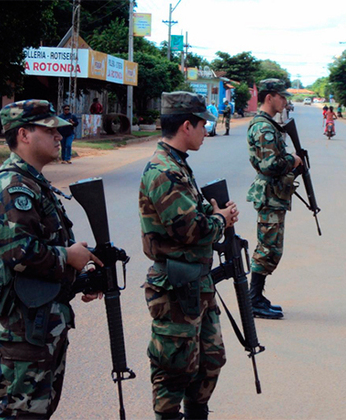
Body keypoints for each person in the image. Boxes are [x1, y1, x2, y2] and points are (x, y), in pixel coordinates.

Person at [0, 99, 102, 419]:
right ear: (23, 134)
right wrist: (68, 256)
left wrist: (81, 275)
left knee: (36, 411)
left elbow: (45, 246)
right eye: (50, 129)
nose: (59, 136)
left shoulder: (34, 183)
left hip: (40, 321)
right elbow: (18, 253)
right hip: (24, 326)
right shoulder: (12, 185)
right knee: (19, 413)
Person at [139, 91, 239, 419]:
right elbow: (190, 229)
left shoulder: (178, 166)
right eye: (202, 125)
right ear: (186, 126)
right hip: (174, 285)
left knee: (210, 360)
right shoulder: (164, 171)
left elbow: (195, 220)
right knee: (174, 369)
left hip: (197, 282)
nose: (206, 132)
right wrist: (220, 220)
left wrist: (215, 215)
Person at [246, 78, 303, 320]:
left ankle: (257, 297)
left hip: (274, 195)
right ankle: (253, 299)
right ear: (269, 97)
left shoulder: (269, 125)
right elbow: (270, 165)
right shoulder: (264, 128)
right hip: (269, 195)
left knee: (272, 248)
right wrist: (294, 161)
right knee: (268, 248)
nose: (285, 101)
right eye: (281, 96)